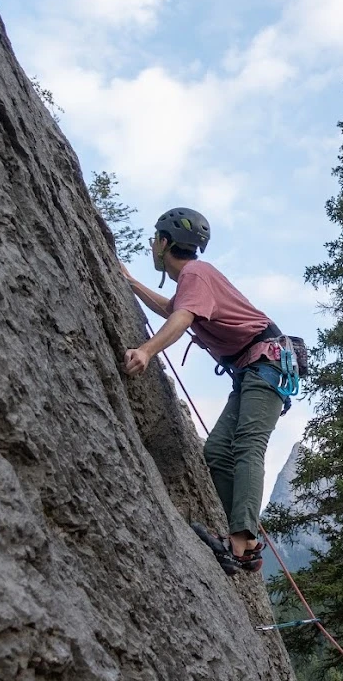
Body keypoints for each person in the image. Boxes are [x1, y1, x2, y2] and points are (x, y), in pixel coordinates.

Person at [121, 207, 286, 574]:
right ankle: (242, 540)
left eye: (154, 241)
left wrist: (146, 351)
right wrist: (131, 283)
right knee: (216, 452)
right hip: (254, 368)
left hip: (267, 364)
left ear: (163, 243)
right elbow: (172, 308)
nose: (153, 247)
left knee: (247, 445)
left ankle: (244, 543)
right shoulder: (194, 279)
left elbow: (181, 317)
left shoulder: (195, 274)